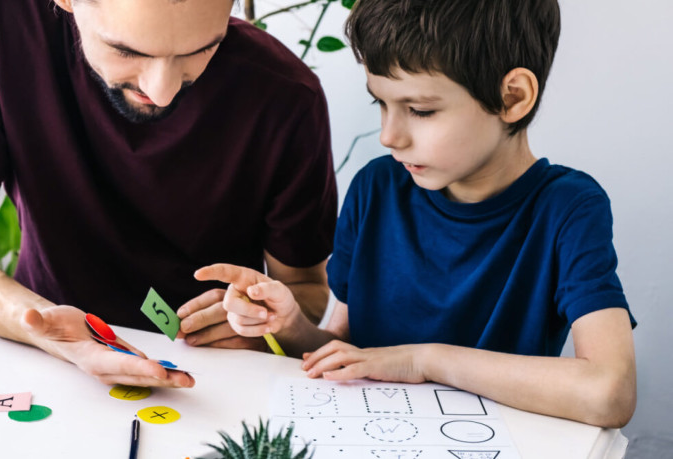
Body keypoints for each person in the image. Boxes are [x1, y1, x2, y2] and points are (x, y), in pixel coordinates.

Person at [195, 0, 637, 427]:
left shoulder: (569, 209)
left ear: (512, 97)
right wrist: (290, 326)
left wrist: (423, 360)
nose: (389, 136)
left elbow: (609, 392)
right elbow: (345, 350)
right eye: (381, 104)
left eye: (420, 111)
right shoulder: (375, 188)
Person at [0, 0, 337, 389]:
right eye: (127, 51)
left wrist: (263, 320)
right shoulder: (1, 22)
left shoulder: (286, 95)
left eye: (201, 50)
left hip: (211, 379)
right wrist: (45, 328)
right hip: (39, 359)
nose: (163, 91)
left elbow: (305, 287)